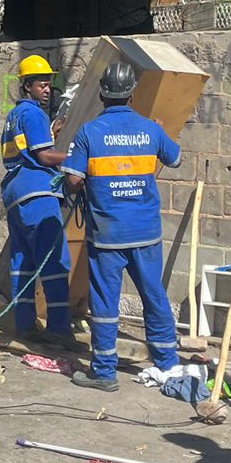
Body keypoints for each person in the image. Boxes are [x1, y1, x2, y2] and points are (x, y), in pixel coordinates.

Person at [62, 61, 182, 392]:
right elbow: (175, 159)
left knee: (105, 303)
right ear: (132, 94)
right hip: (146, 233)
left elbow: (73, 181)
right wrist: (159, 131)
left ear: (102, 94)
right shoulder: (151, 130)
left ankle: (104, 371)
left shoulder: (89, 132)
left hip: (107, 234)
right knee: (154, 295)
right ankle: (168, 363)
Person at [1, 55, 72, 346]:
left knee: (23, 261)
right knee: (55, 260)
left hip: (15, 194)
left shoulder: (15, 115)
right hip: (37, 193)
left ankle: (25, 325)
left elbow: (25, 149)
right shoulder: (33, 114)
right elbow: (43, 156)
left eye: (48, 85)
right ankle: (59, 329)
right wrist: (76, 158)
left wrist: (51, 133)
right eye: (41, 85)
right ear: (27, 86)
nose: (47, 89)